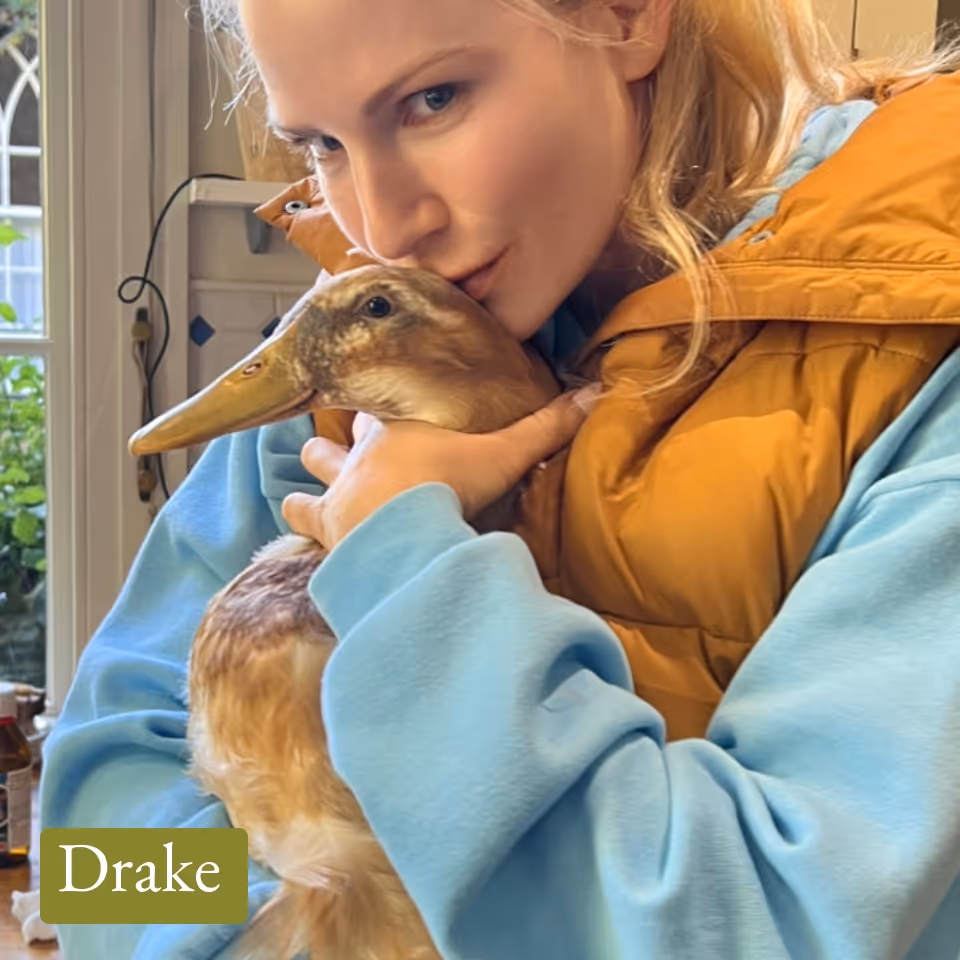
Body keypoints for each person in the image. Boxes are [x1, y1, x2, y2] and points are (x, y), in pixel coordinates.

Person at [41, 0, 960, 957]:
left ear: (625, 16)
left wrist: (404, 559)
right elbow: (88, 859)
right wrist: (293, 904)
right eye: (321, 144)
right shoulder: (353, 378)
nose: (386, 228)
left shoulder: (925, 357)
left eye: (433, 100)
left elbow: (764, 925)